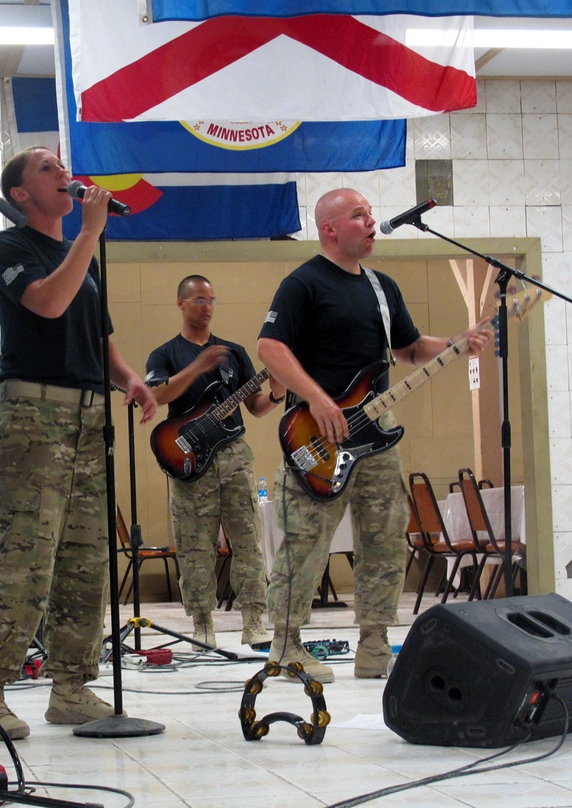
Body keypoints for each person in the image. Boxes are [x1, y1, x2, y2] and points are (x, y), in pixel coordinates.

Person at [256, 188, 490, 683]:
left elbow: (407, 348)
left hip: (376, 436)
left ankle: (375, 644)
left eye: (369, 213)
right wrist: (316, 398)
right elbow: (270, 348)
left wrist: (457, 343)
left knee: (384, 538)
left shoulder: (382, 288)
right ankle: (285, 646)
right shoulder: (303, 284)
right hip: (316, 435)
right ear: (330, 229)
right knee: (305, 542)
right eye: (358, 214)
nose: (370, 221)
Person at [0, 147, 157, 741]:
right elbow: (47, 304)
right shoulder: (12, 248)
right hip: (34, 418)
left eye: (59, 166)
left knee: (83, 561)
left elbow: (98, 338)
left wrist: (130, 380)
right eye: (45, 168)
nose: (63, 175)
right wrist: (90, 233)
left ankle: (70, 687)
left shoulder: (82, 260)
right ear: (20, 194)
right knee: (24, 560)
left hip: (87, 419)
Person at [146, 275, 284, 650]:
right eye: (199, 300)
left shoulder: (234, 352)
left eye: (211, 300)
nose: (207, 308)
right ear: (181, 304)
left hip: (234, 455)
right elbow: (158, 396)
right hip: (189, 458)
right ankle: (201, 622)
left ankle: (253, 619)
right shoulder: (165, 354)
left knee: (248, 541)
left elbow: (254, 408)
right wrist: (196, 367)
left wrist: (277, 392)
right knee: (195, 545)